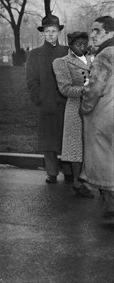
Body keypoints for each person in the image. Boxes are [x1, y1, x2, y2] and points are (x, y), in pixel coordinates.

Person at [26, 15, 70, 184]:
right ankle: (51, 172)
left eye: (54, 31)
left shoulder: (67, 52)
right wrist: (40, 98)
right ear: (42, 33)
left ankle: (69, 171)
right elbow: (31, 80)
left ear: (59, 32)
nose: (50, 34)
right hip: (47, 104)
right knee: (48, 141)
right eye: (47, 31)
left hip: (66, 103)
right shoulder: (35, 54)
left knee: (66, 139)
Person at [80, 16, 114, 219]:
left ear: (110, 34)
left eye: (97, 31)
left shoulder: (104, 56)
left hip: (104, 117)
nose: (92, 35)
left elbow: (93, 89)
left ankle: (112, 208)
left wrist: (85, 108)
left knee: (105, 163)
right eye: (92, 30)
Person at [52, 32, 94, 198]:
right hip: (76, 108)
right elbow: (65, 89)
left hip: (95, 107)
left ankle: (98, 181)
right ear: (70, 45)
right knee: (76, 146)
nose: (82, 47)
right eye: (78, 44)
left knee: (94, 145)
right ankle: (78, 182)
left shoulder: (95, 59)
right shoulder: (61, 62)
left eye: (84, 43)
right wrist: (88, 90)